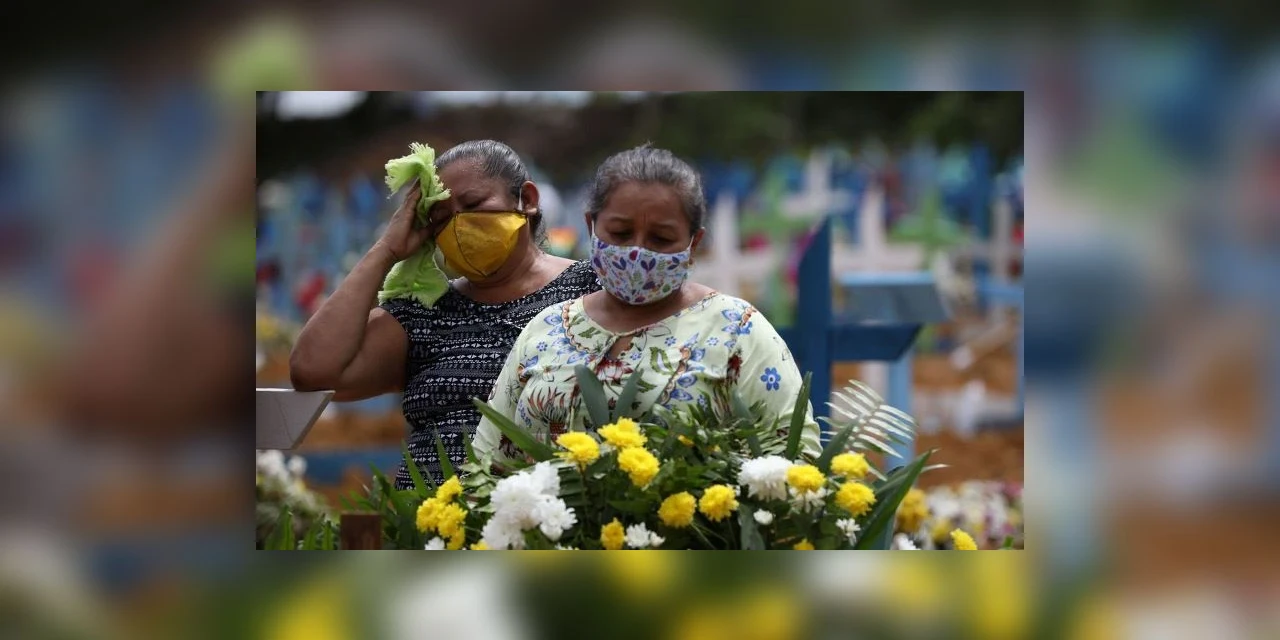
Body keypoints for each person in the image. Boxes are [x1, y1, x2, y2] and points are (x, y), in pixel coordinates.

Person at [474, 145, 820, 463]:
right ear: (591, 226)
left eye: (661, 238)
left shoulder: (735, 329)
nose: (637, 251)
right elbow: (489, 462)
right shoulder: (546, 330)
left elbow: (793, 459)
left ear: (693, 243)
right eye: (621, 233)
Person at [290, 140, 600, 487]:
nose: (458, 225)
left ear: (526, 200)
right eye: (440, 218)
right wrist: (386, 249)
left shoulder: (591, 289)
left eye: (473, 204)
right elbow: (312, 370)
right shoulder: (424, 315)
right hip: (430, 527)